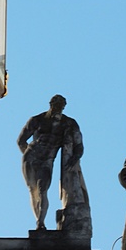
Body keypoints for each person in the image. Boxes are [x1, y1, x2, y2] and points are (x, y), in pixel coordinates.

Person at [17, 95, 91, 235]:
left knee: (42, 190)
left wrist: (74, 158)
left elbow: (79, 146)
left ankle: (40, 222)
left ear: (63, 107)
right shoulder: (37, 120)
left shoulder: (69, 123)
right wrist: (29, 154)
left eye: (60, 106)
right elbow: (21, 140)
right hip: (31, 158)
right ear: (50, 104)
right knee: (33, 190)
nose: (57, 108)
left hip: (47, 161)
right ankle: (38, 220)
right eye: (55, 105)